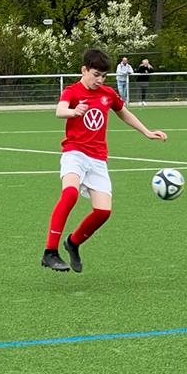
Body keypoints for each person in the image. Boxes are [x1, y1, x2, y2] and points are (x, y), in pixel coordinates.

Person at [42, 48, 168, 272]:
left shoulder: (107, 94)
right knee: (69, 193)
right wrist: (73, 112)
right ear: (84, 70)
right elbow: (59, 110)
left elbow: (124, 112)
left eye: (103, 76)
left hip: (98, 159)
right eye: (96, 75)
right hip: (74, 153)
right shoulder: (72, 91)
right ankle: (50, 252)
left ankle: (73, 243)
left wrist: (147, 132)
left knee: (103, 212)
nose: (99, 80)